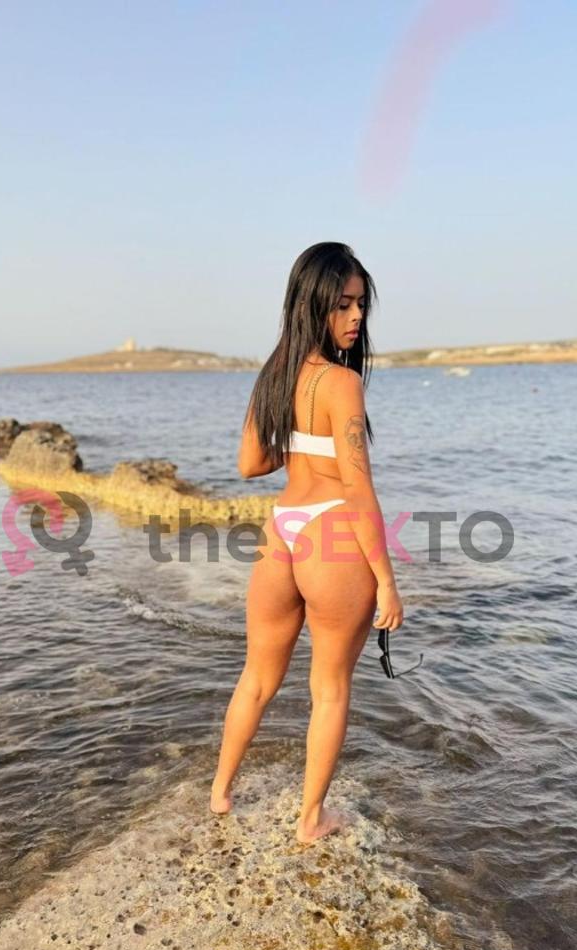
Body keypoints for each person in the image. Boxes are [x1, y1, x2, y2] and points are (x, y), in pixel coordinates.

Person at [209, 242, 404, 844]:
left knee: (256, 679)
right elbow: (359, 491)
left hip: (282, 532)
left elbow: (249, 464)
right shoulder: (342, 381)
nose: (356, 317)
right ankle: (311, 819)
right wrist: (388, 581)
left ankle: (220, 794)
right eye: (342, 304)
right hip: (331, 536)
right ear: (310, 304)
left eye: (361, 304)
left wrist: (300, 448)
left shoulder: (275, 372)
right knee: (330, 688)